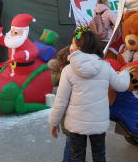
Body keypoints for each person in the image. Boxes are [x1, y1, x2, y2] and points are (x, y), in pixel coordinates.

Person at [48, 28, 133, 162]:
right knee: (99, 156)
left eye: (73, 44)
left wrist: (54, 122)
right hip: (98, 122)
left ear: (80, 46)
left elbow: (61, 100)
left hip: (76, 123)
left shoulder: (68, 70)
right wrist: (124, 73)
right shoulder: (105, 66)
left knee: (77, 156)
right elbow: (121, 86)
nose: (71, 46)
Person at [48, 45, 73, 162]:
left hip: (75, 115)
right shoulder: (62, 71)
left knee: (75, 143)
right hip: (69, 115)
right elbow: (60, 102)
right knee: (71, 143)